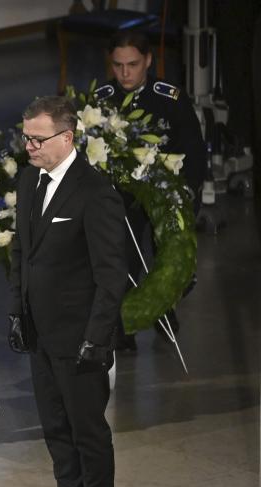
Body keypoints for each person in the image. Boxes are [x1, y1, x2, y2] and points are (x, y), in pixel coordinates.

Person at [9, 96, 128, 487]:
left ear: (67, 137)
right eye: (26, 137)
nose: (30, 146)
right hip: (41, 333)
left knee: (88, 433)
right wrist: (17, 312)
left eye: (38, 139)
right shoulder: (28, 181)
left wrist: (97, 338)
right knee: (57, 431)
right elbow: (22, 251)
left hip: (81, 338)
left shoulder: (95, 192)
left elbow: (110, 273)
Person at [95, 29, 206, 348]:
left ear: (148, 60)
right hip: (123, 193)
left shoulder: (168, 97)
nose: (125, 73)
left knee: (167, 255)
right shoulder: (103, 99)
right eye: (118, 65)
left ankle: (163, 310)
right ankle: (124, 324)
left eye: (132, 64)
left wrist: (188, 195)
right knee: (121, 255)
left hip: (165, 191)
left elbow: (194, 152)